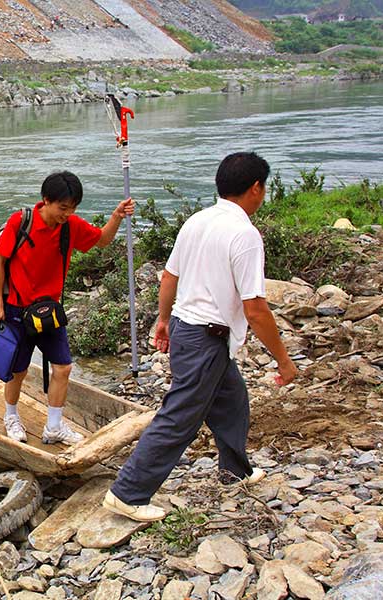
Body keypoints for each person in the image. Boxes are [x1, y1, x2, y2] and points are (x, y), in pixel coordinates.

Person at [103, 152, 299, 523]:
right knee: (180, 417)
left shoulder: (198, 220)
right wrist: (284, 361)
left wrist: (163, 320)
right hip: (204, 337)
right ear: (256, 188)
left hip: (189, 328)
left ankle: (234, 470)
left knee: (232, 400)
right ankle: (127, 493)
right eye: (264, 189)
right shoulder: (244, 234)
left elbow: (169, 276)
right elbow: (255, 308)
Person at [0, 171, 135, 445]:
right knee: (17, 371)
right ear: (46, 201)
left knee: (63, 368)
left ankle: (53, 427)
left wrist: (116, 216)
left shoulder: (71, 226)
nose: (67, 213)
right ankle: (11, 416)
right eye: (63, 207)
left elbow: (101, 240)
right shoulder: (21, 222)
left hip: (49, 311)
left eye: (73, 208)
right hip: (17, 310)